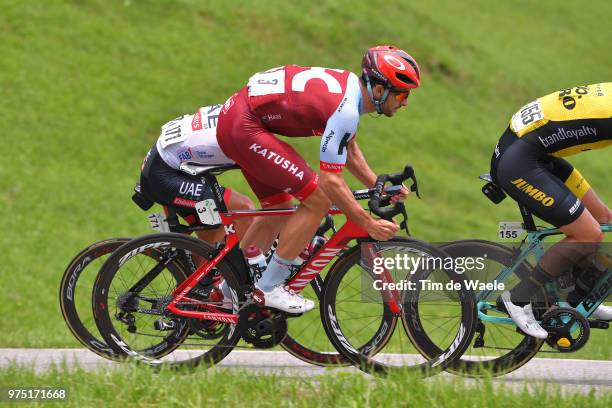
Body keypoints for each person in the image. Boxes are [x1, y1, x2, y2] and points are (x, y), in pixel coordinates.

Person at [216, 45, 420, 313]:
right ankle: (268, 289)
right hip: (244, 127)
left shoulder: (349, 88)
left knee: (279, 206)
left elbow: (348, 148)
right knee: (318, 199)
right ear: (380, 91)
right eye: (402, 94)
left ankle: (228, 289)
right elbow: (330, 182)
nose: (405, 102)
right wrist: (368, 223)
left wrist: (377, 186)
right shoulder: (345, 109)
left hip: (242, 119)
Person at [491, 83, 611, 338]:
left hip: (535, 151)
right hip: (520, 160)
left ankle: (574, 299)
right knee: (588, 234)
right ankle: (518, 298)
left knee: (604, 219)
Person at [139, 104, 255, 244]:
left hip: (165, 168)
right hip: (165, 176)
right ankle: (221, 265)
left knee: (209, 239)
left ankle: (210, 264)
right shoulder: (244, 134)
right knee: (244, 209)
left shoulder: (235, 108)